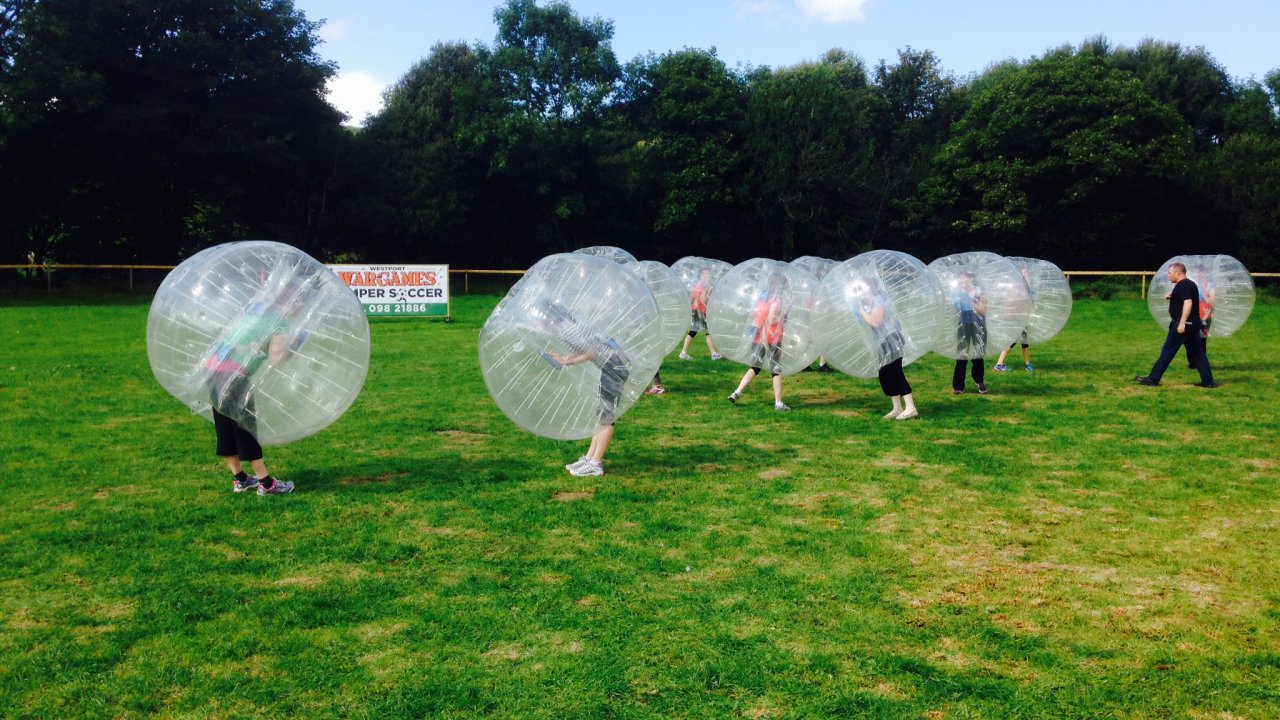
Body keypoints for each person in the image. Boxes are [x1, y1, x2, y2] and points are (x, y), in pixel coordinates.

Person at [203, 280, 306, 495]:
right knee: (245, 427)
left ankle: (240, 479)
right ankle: (266, 483)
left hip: (212, 367)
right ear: (291, 301)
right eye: (301, 300)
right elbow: (276, 359)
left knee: (225, 424)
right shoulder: (279, 322)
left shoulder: (256, 308)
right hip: (234, 375)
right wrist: (293, 347)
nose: (302, 305)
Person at [536, 300, 632, 477]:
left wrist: (568, 361)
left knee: (607, 416)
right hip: (612, 364)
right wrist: (565, 358)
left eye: (538, 318)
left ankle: (596, 464)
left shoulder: (567, 330)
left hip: (615, 365)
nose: (537, 322)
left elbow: (593, 351)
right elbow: (586, 348)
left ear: (548, 317)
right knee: (602, 414)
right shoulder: (565, 326)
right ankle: (589, 458)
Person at [1135, 262, 1216, 388]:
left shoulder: (1183, 285)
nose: (1168, 275)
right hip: (1192, 323)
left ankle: (1153, 379)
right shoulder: (1189, 284)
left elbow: (1188, 303)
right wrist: (1173, 297)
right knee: (1197, 352)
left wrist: (1182, 323)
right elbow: (1186, 298)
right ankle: (1208, 381)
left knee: (1167, 351)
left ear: (1178, 273)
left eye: (1169, 273)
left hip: (1185, 324)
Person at [857, 279, 918, 420]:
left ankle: (911, 407)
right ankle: (897, 408)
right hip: (883, 342)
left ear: (869, 289)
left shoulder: (878, 300)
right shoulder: (868, 304)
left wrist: (862, 311)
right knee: (885, 374)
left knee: (895, 372)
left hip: (892, 339)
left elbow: (876, 321)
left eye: (861, 289)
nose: (860, 293)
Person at [728, 273, 790, 411]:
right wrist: (783, 314)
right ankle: (778, 403)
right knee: (776, 370)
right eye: (784, 286)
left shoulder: (763, 300)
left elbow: (758, 318)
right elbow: (771, 320)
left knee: (755, 367)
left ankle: (736, 392)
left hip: (758, 338)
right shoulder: (777, 301)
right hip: (772, 339)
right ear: (779, 286)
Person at [950, 271, 988, 394]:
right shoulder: (957, 293)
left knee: (978, 354)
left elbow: (983, 310)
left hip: (979, 325)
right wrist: (960, 296)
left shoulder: (979, 291)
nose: (963, 279)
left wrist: (970, 301)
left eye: (965, 277)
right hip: (963, 324)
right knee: (962, 354)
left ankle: (979, 380)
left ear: (971, 278)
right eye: (961, 277)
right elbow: (956, 310)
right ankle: (958, 385)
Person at [679, 267, 724, 360]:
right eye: (705, 273)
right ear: (702, 275)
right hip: (700, 311)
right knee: (706, 332)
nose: (708, 275)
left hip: (695, 310)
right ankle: (713, 354)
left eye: (708, 273)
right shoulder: (704, 285)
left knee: (694, 331)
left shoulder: (698, 284)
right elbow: (703, 299)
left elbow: (693, 297)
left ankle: (683, 353)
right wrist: (707, 308)